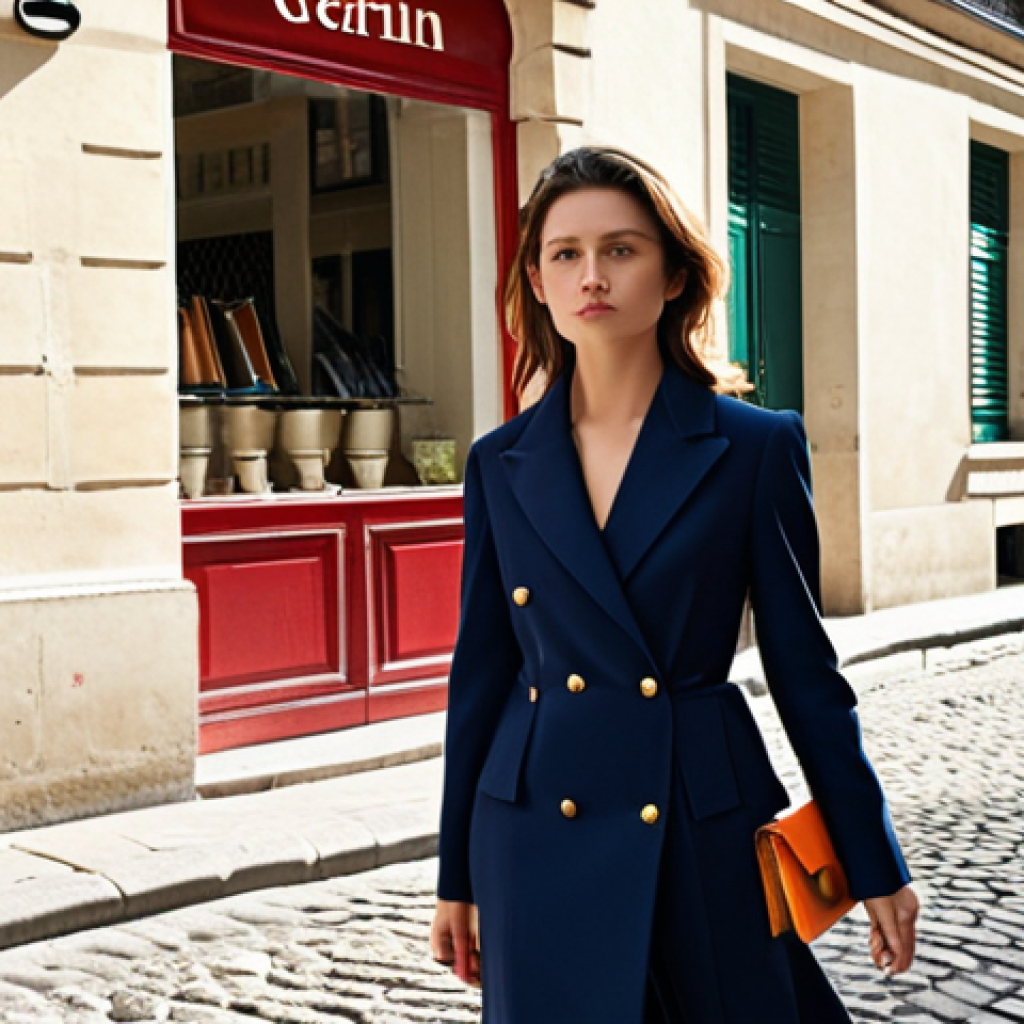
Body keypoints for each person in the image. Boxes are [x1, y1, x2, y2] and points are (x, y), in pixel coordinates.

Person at [430, 145, 918, 1024]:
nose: (592, 275)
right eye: (565, 253)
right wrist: (455, 875)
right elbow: (481, 677)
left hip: (699, 816)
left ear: (674, 275)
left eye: (621, 249)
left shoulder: (755, 446)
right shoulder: (500, 463)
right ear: (537, 282)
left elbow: (806, 672)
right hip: (536, 823)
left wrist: (870, 852)